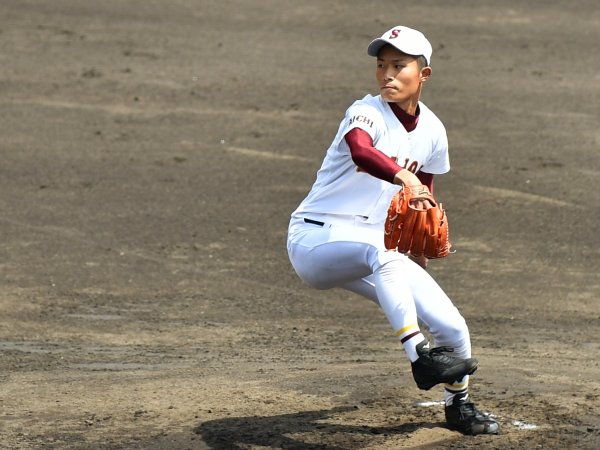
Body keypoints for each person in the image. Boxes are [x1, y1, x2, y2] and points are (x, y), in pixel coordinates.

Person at [286, 25, 499, 435]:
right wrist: (404, 176)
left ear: (424, 74)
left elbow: (424, 196)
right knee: (383, 254)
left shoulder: (433, 131)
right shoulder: (365, 111)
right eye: (381, 65)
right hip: (315, 240)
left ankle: (459, 405)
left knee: (452, 325)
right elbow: (361, 151)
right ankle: (420, 357)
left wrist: (418, 252)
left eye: (399, 66)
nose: (387, 74)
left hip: (373, 247)